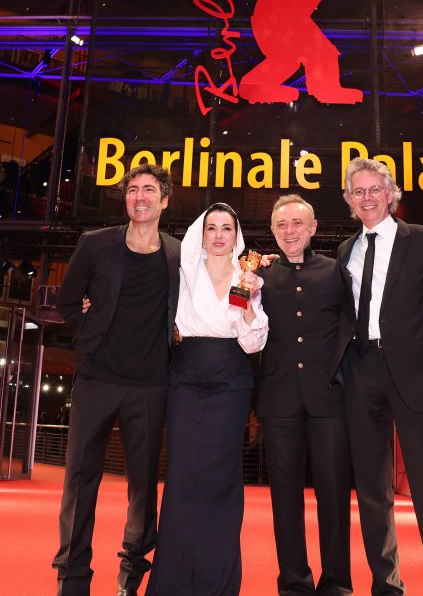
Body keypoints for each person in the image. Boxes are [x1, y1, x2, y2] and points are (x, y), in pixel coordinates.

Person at [336, 157, 423, 596]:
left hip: (417, 376)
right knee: (373, 494)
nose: (368, 198)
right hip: (361, 375)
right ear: (349, 201)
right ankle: (386, 586)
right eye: (358, 192)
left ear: (392, 194)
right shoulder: (346, 251)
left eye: (375, 189)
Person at [52, 163, 181, 596]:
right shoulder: (95, 245)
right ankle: (72, 576)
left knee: (143, 487)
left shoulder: (179, 254)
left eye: (149, 190)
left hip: (150, 385)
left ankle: (133, 574)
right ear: (125, 199)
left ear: (164, 200)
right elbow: (68, 301)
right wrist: (88, 329)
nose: (139, 197)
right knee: (79, 480)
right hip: (97, 380)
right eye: (132, 190)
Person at [146, 203, 268, 596]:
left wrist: (248, 303)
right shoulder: (182, 272)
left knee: (221, 480)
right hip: (184, 379)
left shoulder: (247, 276)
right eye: (211, 228)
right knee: (182, 477)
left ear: (236, 236)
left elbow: (254, 342)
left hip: (231, 383)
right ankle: (172, 582)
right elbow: (150, 308)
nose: (218, 235)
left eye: (226, 229)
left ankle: (218, 582)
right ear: (201, 234)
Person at [257, 194, 352, 596]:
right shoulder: (257, 277)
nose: (290, 231)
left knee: (334, 500)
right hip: (278, 403)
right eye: (282, 225)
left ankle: (336, 585)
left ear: (313, 228)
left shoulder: (336, 272)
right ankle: (294, 584)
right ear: (273, 231)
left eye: (298, 223)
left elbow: (353, 327)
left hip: (329, 400)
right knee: (284, 502)